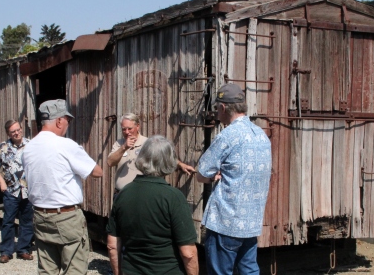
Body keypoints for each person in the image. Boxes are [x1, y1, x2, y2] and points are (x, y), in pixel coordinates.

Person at [196, 84, 272, 275]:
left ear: (222, 108)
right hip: (250, 222)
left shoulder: (228, 135)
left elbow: (202, 173)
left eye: (217, 108)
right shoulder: (261, 135)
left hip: (226, 222)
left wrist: (215, 176)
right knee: (249, 270)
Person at [22, 99, 103, 275]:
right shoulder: (66, 145)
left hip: (40, 215)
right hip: (66, 217)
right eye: (68, 120)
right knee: (74, 268)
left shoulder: (28, 148)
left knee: (47, 269)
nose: (68, 124)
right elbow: (97, 172)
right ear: (59, 120)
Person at [106, 135, 198, 275]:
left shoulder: (123, 194)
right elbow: (188, 253)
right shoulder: (174, 197)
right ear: (169, 161)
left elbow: (112, 245)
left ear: (142, 158)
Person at [107, 113, 195, 197]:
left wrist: (181, 165)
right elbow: (110, 163)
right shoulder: (118, 144)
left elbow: (164, 157)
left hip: (141, 194)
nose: (126, 132)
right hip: (120, 193)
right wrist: (124, 147)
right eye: (123, 129)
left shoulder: (148, 143)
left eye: (130, 129)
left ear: (138, 126)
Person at [0, 119, 34, 263]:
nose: (16, 133)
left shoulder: (31, 145)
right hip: (11, 190)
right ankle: (6, 251)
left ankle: (24, 249)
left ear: (21, 129)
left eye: (18, 130)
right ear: (8, 133)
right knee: (8, 221)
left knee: (27, 221)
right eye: (13, 131)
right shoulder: (3, 147)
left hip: (28, 190)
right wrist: (1, 181)